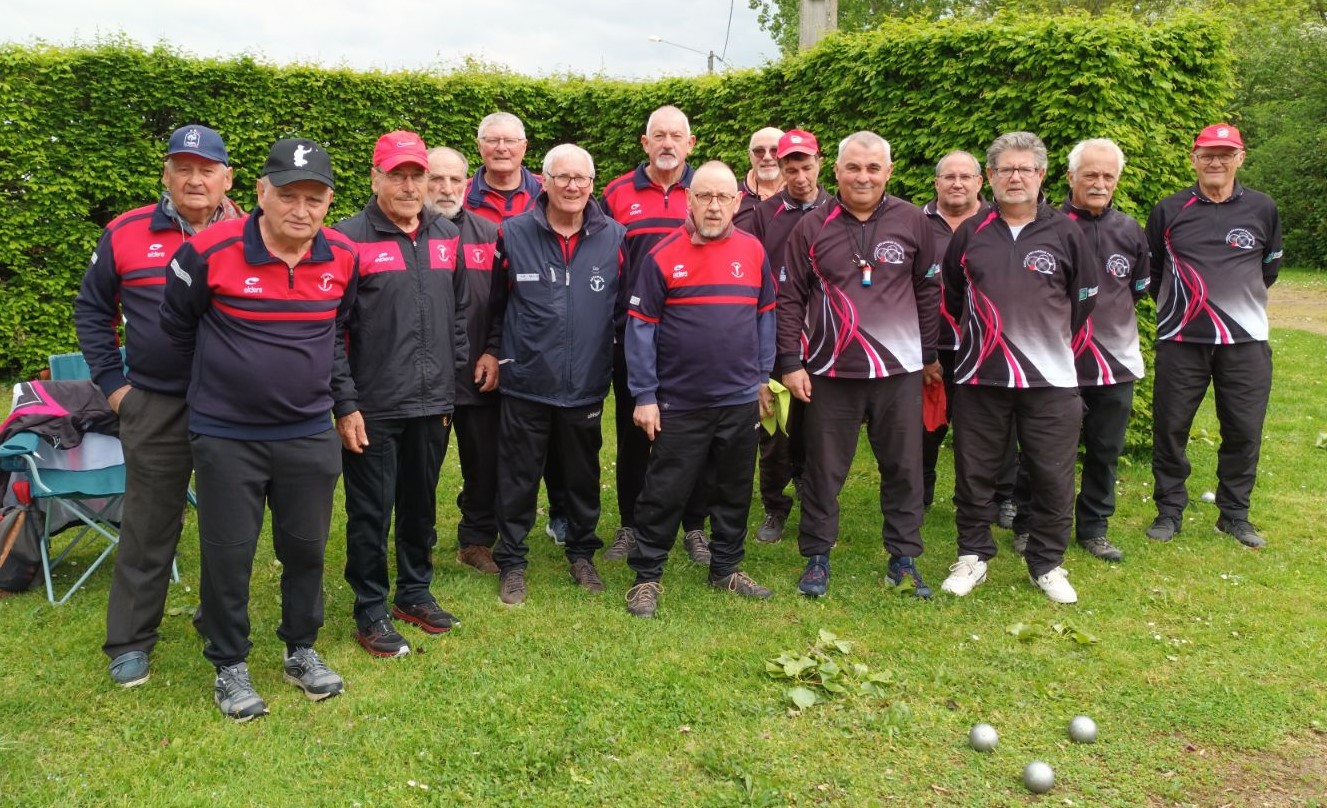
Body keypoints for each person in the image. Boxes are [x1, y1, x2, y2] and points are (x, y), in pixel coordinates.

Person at [160, 137, 357, 720]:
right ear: (261, 192)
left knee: (307, 549)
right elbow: (176, 328)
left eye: (314, 198)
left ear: (328, 202)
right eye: (288, 195)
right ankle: (230, 664)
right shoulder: (208, 250)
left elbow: (336, 332)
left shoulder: (344, 257)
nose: (301, 209)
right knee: (228, 555)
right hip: (228, 437)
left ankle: (301, 650)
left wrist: (341, 405)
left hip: (308, 433)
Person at [74, 124, 243, 689]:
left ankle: (217, 621)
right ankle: (130, 640)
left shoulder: (254, 233)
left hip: (233, 407)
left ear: (227, 178)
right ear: (166, 175)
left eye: (206, 169)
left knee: (230, 524)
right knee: (148, 525)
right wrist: (112, 385)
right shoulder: (125, 232)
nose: (195, 180)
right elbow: (92, 310)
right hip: (155, 403)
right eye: (182, 168)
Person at [777, 131, 939, 599]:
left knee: (903, 467)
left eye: (872, 168)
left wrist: (927, 355)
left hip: (898, 372)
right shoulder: (811, 226)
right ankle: (816, 555)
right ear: (837, 171)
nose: (862, 177)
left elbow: (928, 289)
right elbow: (790, 297)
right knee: (823, 470)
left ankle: (903, 557)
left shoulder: (913, 220)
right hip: (830, 372)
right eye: (853, 167)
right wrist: (790, 362)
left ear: (888, 171)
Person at [940, 131, 1098, 604]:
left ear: (1041, 175)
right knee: (975, 473)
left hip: (1050, 380)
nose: (1015, 177)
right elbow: (953, 296)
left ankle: (1047, 563)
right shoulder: (970, 232)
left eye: (1024, 169)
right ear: (989, 176)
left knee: (1052, 475)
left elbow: (1083, 301)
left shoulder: (1067, 232)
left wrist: (1042, 344)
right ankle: (973, 555)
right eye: (1005, 169)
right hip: (979, 376)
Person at [331, 131, 467, 658]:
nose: (409, 187)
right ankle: (370, 607)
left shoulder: (445, 235)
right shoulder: (347, 240)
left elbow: (458, 313)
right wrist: (346, 403)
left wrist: (452, 378)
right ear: (376, 178)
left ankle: (414, 591)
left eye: (417, 176)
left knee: (420, 505)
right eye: (398, 176)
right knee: (371, 511)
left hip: (433, 403)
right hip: (374, 406)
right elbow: (332, 331)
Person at [623, 161, 778, 617]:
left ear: (737, 201)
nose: (713, 206)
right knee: (664, 490)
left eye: (723, 197)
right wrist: (645, 395)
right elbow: (640, 328)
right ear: (689, 200)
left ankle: (725, 567)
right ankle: (646, 576)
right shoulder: (662, 254)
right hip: (680, 401)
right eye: (704, 196)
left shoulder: (753, 251)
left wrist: (762, 378)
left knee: (734, 487)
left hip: (739, 398)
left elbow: (765, 315)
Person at [489, 144, 625, 606]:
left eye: (581, 178)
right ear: (543, 181)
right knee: (518, 478)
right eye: (562, 177)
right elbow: (495, 304)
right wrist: (492, 352)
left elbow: (622, 313)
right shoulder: (513, 233)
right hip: (526, 381)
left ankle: (582, 554)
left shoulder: (614, 237)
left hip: (585, 383)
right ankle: (512, 561)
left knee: (582, 477)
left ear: (592, 183)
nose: (572, 186)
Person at [1145, 123, 1282, 547]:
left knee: (1243, 429)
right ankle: (1169, 511)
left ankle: (1234, 515)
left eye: (1225, 154)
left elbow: (1269, 268)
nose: (1216, 162)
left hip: (1245, 343)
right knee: (1170, 428)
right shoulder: (1169, 209)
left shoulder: (1262, 208)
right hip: (1182, 341)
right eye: (1207, 154)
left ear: (1240, 158)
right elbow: (1153, 272)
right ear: (1194, 159)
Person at [601, 105, 710, 564]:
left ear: (690, 143)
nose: (668, 143)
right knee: (634, 434)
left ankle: (695, 526)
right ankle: (631, 523)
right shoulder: (616, 193)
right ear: (645, 143)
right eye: (659, 135)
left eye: (676, 136)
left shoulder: (707, 190)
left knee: (697, 433)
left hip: (693, 339)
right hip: (634, 335)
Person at [463, 111, 570, 546]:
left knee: (557, 431)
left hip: (542, 331)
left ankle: (561, 513)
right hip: (482, 328)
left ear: (525, 147)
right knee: (489, 438)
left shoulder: (547, 191)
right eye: (493, 140)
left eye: (510, 141)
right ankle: (482, 522)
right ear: (480, 146)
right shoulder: (461, 196)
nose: (502, 148)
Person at [1057, 138, 1151, 562]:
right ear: (1070, 177)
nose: (1099, 183)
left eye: (1107, 176)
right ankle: (1033, 522)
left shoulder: (1130, 230)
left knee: (1105, 450)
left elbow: (1137, 288)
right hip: (1055, 362)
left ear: (1117, 180)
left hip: (1115, 362)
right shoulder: (1048, 225)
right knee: (1046, 451)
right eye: (1090, 174)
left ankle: (1094, 528)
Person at [747, 128, 830, 544]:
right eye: (791, 169)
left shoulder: (838, 210)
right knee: (775, 430)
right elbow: (754, 278)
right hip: (779, 338)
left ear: (820, 164)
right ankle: (775, 506)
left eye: (806, 167)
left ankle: (817, 506)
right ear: (780, 169)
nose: (800, 177)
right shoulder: (764, 214)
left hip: (828, 340)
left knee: (821, 431)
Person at [426, 146, 503, 575]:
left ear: (467, 183)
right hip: (425, 378)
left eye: (455, 179)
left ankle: (476, 541)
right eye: (436, 179)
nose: (446, 187)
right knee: (421, 467)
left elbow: (503, 302)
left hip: (478, 370)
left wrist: (493, 349)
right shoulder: (409, 235)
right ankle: (418, 541)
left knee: (485, 463)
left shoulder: (489, 234)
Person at [920, 151, 992, 512]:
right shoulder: (915, 222)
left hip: (984, 348)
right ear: (936, 183)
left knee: (984, 430)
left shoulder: (997, 223)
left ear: (980, 182)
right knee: (924, 428)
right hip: (929, 347)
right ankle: (919, 494)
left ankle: (988, 501)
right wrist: (922, 352)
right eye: (949, 177)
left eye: (966, 177)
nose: (957, 183)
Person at [734, 126, 785, 231]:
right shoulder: (732, 196)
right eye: (759, 151)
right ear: (750, 156)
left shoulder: (803, 194)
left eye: (775, 150)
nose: (767, 157)